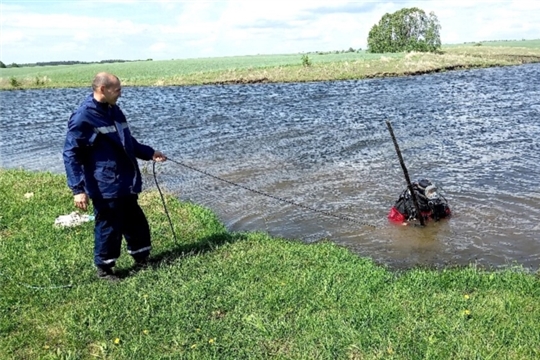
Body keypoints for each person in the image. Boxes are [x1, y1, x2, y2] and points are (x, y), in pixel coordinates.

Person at [63, 72, 167, 281]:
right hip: (104, 183)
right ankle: (105, 269)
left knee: (135, 221)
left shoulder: (115, 110)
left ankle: (142, 259)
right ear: (103, 89)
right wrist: (78, 189)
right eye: (117, 89)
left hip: (125, 181)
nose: (121, 93)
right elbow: (70, 153)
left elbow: (127, 141)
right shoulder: (84, 116)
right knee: (109, 226)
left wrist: (149, 153)